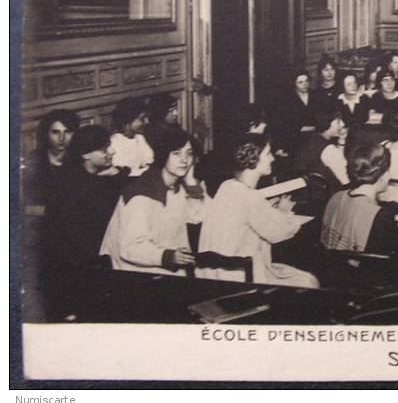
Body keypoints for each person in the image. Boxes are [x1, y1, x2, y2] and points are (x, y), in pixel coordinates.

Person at [196, 134, 319, 287]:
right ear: (253, 158)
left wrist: (268, 209)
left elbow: (247, 214)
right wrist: (284, 213)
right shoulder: (250, 197)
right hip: (240, 277)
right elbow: (280, 233)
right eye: (267, 153)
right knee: (309, 281)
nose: (272, 158)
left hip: (215, 274)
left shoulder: (227, 186)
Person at [42, 125, 127, 319]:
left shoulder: (82, 176)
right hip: (77, 268)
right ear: (86, 155)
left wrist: (115, 174)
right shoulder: (81, 187)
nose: (111, 152)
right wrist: (117, 175)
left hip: (85, 260)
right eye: (105, 148)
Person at [100, 125, 208, 275]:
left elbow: (199, 217)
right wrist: (167, 256)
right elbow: (131, 248)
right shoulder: (141, 193)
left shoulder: (177, 187)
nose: (184, 160)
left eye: (189, 154)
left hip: (165, 269)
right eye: (176, 153)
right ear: (164, 156)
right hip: (131, 273)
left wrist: (191, 182)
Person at [320, 142, 398, 254]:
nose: (390, 176)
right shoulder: (379, 217)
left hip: (330, 265)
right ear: (382, 175)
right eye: (388, 171)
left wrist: (392, 224)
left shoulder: (336, 196)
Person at [22, 109, 80, 212]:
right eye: (55, 132)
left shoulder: (79, 159)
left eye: (67, 132)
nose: (61, 138)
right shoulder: (34, 161)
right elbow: (26, 208)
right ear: (46, 134)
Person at [293, 107, 350, 205]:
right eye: (338, 121)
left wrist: (341, 141)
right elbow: (345, 181)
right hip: (330, 200)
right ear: (328, 123)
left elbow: (337, 161)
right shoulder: (328, 149)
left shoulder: (310, 140)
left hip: (309, 197)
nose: (343, 124)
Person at [273, 68, 318, 155]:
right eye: (300, 82)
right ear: (294, 83)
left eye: (306, 81)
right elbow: (289, 125)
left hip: (315, 138)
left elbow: (321, 119)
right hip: (295, 141)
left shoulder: (316, 95)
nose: (305, 84)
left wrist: (316, 127)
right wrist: (314, 127)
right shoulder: (288, 99)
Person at [109, 97, 154, 177]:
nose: (147, 122)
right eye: (142, 118)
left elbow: (149, 162)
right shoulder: (113, 143)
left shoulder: (139, 138)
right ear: (128, 120)